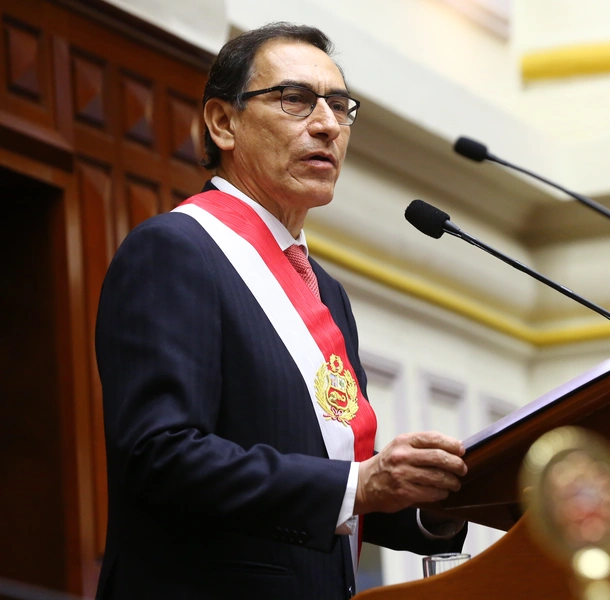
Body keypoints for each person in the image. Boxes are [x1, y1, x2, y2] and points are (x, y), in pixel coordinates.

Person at [95, 22, 467, 600]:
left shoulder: (325, 290)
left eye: (340, 106)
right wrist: (360, 484)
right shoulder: (175, 250)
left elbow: (337, 470)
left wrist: (434, 503)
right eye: (295, 100)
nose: (326, 125)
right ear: (222, 123)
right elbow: (160, 457)